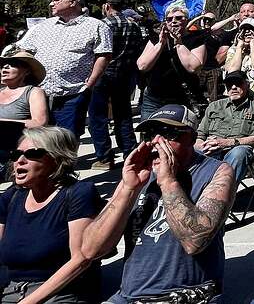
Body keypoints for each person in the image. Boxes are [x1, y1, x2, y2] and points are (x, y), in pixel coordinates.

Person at [81, 104, 235, 303]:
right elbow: (90, 250)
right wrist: (128, 189)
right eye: (149, 134)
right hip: (128, 296)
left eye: (168, 133)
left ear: (192, 138)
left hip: (186, 294)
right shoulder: (139, 175)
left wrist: (168, 181)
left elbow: (194, 242)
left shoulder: (217, 171)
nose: (155, 141)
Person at [0, 126, 102, 303]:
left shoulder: (78, 194)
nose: (20, 161)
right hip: (12, 289)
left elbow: (80, 260)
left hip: (61, 292)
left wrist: (28, 302)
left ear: (57, 159)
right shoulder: (11, 196)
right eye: (16, 155)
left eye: (32, 154)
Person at [17, 0, 113, 136]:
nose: (51, 4)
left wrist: (90, 84)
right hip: (39, 94)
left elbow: (104, 55)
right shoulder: (42, 26)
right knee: (38, 137)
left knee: (67, 138)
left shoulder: (96, 26)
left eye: (56, 0)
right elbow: (24, 50)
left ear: (72, 2)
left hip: (73, 93)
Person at [88, 0, 142, 169]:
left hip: (102, 75)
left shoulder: (102, 25)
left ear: (107, 6)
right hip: (124, 75)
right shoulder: (134, 26)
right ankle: (130, 153)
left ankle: (105, 157)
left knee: (98, 117)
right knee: (123, 115)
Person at [196, 71, 254, 184]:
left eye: (238, 83)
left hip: (239, 148)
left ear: (247, 84)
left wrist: (227, 143)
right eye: (230, 84)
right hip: (211, 149)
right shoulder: (215, 106)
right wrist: (201, 146)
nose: (234, 87)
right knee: (191, 152)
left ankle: (223, 190)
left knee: (239, 153)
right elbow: (200, 134)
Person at [136, 5, 207, 120]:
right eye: (169, 19)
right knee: (149, 130)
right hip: (154, 99)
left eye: (179, 18)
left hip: (183, 98)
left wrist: (179, 43)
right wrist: (160, 44)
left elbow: (193, 67)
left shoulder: (196, 39)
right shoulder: (155, 39)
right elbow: (142, 65)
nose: (173, 21)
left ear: (187, 20)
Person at [0, 50, 49, 129]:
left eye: (13, 63)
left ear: (27, 71)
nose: (5, 66)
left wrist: (4, 122)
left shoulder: (33, 92)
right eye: (2, 65)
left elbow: (40, 122)